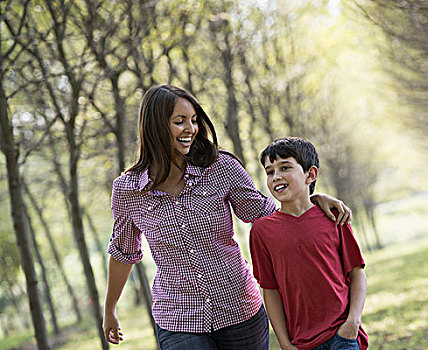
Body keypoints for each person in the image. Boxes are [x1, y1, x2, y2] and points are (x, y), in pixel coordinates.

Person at [102, 85, 352, 350]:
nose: (191, 128)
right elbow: (123, 252)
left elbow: (265, 211)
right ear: (154, 127)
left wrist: (311, 199)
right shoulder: (128, 190)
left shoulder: (220, 167)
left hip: (240, 309)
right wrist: (110, 310)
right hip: (178, 318)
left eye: (194, 120)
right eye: (179, 121)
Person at [250, 137, 368, 350]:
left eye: (285, 167)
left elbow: (357, 273)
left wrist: (352, 322)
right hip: (302, 343)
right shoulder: (262, 231)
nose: (276, 177)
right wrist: (285, 344)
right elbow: (270, 289)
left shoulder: (333, 216)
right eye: (269, 172)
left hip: (342, 336)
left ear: (310, 174)